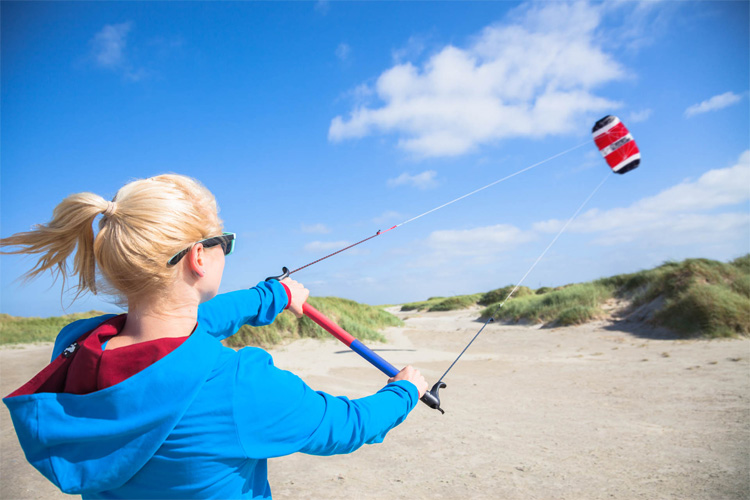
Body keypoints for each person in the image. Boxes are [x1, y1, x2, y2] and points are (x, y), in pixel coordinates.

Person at [1, 174, 428, 499]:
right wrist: (405, 390)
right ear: (198, 256)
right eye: (224, 240)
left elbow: (185, 328)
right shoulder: (238, 383)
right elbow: (346, 426)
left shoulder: (76, 347)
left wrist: (273, 295)